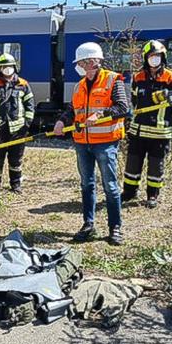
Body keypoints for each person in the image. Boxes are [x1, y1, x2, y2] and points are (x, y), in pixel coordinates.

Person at [53, 42, 128, 246]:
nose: (80, 66)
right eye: (80, 63)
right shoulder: (79, 85)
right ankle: (88, 224)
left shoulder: (113, 80)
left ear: (93, 61)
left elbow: (123, 107)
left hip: (105, 143)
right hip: (82, 143)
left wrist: (102, 113)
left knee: (110, 186)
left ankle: (115, 228)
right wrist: (61, 121)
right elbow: (72, 109)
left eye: (82, 62)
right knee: (87, 185)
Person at [121, 40, 172, 208]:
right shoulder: (138, 77)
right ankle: (129, 192)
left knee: (155, 166)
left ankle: (152, 196)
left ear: (163, 58)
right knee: (133, 164)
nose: (154, 59)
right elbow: (135, 101)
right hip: (138, 132)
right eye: (151, 56)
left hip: (160, 133)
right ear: (145, 58)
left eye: (157, 56)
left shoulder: (170, 78)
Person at [0, 53, 35, 194]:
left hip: (18, 130)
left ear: (14, 67)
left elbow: (30, 106)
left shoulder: (23, 84)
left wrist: (26, 125)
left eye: (9, 66)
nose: (7, 69)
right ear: (0, 68)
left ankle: (16, 184)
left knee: (16, 160)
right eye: (4, 66)